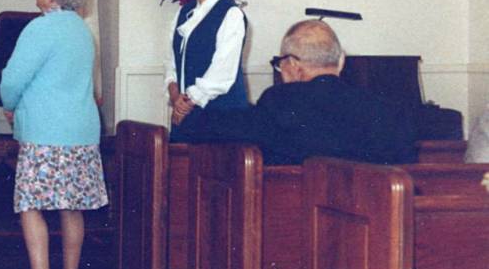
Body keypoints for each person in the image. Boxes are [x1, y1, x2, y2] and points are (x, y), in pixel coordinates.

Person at [0, 0, 108, 269]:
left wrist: (10, 104)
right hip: (82, 131)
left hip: (45, 132)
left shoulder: (40, 28)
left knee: (31, 204)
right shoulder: (82, 31)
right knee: (71, 207)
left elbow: (12, 80)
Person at [174, 19, 418, 164]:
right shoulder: (384, 108)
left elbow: (227, 127)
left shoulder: (280, 102)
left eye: (281, 64)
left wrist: (185, 116)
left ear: (292, 64)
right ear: (341, 61)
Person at [165, 0, 249, 142]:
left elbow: (222, 74)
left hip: (219, 121)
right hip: (186, 116)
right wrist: (175, 96)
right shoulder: (184, 13)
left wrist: (185, 103)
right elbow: (172, 64)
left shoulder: (231, 15)